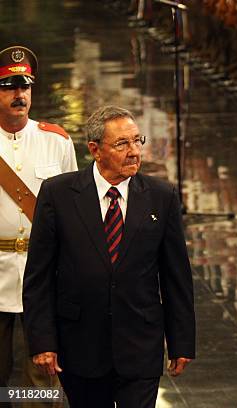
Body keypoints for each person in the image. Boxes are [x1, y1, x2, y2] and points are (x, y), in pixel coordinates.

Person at [22, 106, 196, 407]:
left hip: (140, 345)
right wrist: (43, 342)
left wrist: (182, 341)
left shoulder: (161, 196)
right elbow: (39, 276)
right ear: (94, 150)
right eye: (122, 144)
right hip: (80, 348)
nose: (134, 152)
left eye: (137, 141)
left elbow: (176, 276)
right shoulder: (58, 194)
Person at [0, 45, 76, 408]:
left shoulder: (55, 141)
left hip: (43, 275)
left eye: (25, 86)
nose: (20, 95)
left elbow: (76, 215)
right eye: (10, 86)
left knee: (41, 379)